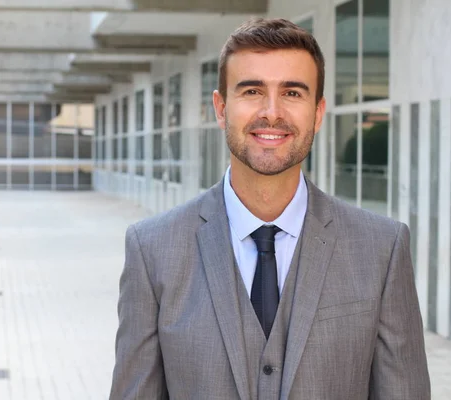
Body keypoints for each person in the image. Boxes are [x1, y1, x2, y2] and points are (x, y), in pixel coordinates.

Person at [109, 17, 430, 400]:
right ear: (221, 107)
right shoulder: (152, 249)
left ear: (318, 112)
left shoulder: (382, 248)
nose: (272, 112)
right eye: (252, 91)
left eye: (293, 93)